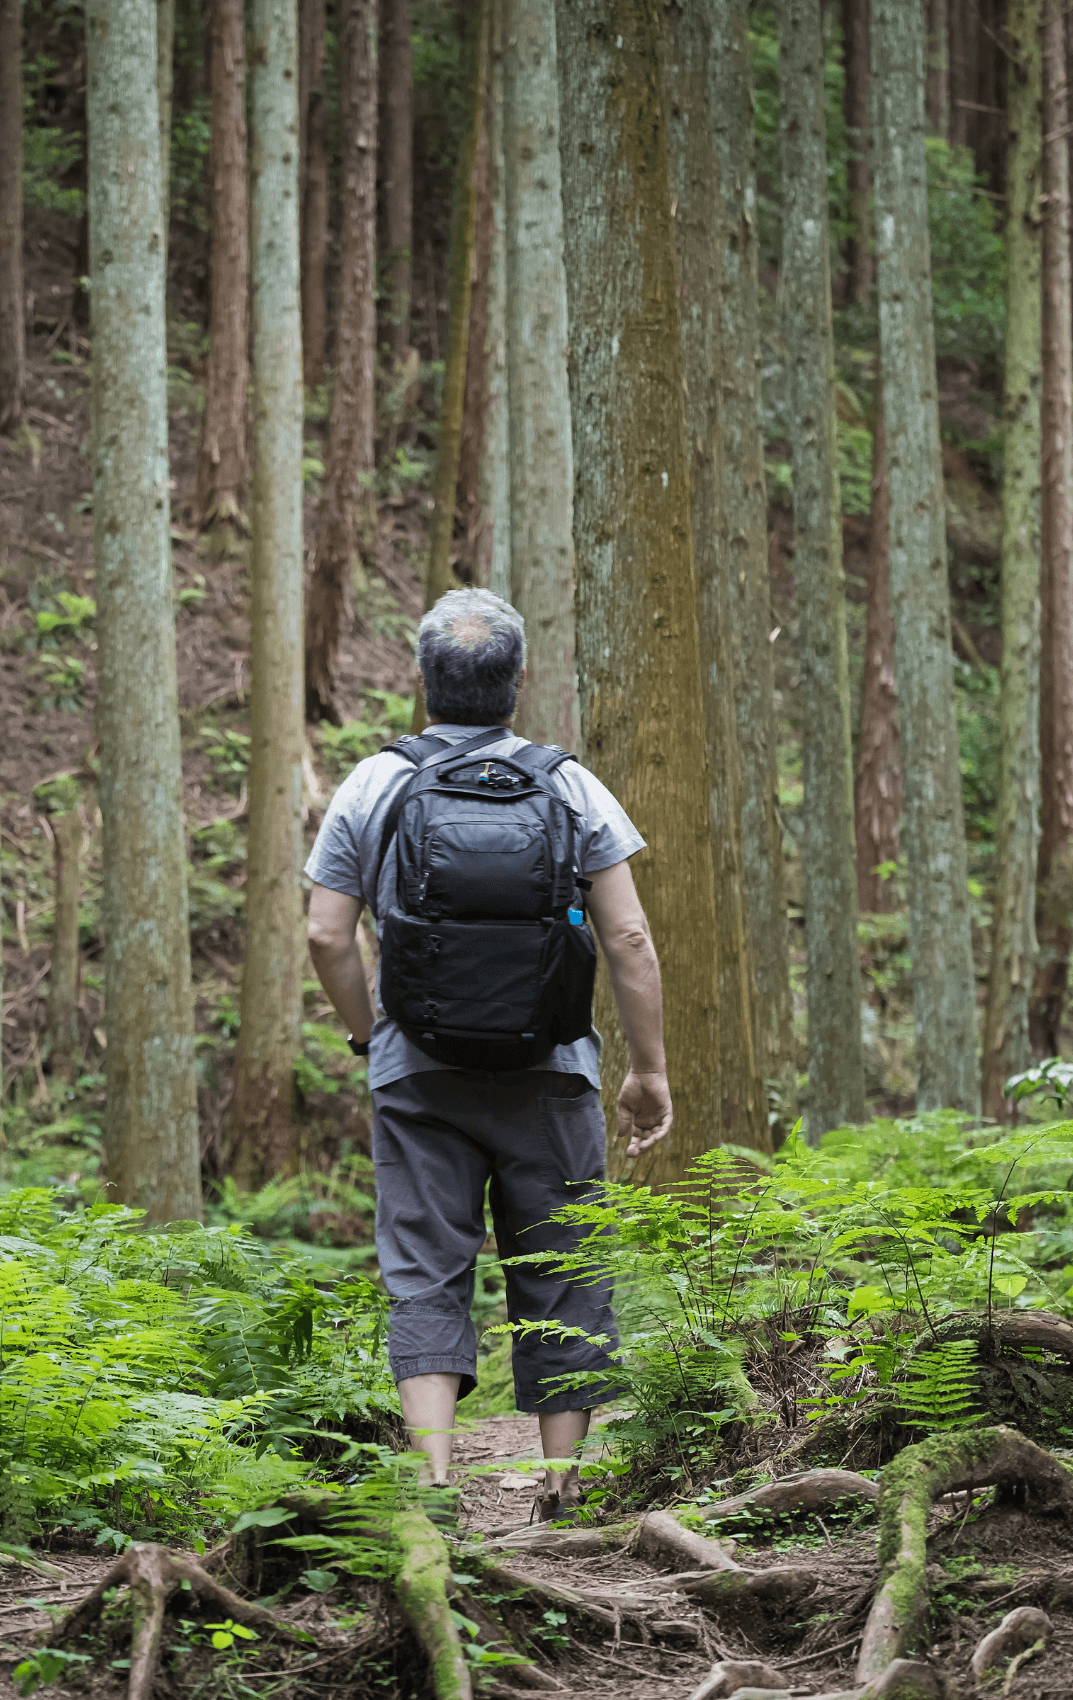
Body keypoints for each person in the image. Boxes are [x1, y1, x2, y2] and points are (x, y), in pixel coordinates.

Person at [305, 587, 672, 1521]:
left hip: (417, 1069)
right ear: (518, 682)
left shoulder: (375, 783)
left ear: (424, 681)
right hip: (551, 1070)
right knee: (562, 1267)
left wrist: (369, 1031)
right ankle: (561, 1487)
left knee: (425, 1267)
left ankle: (433, 1486)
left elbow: (325, 933)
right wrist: (647, 1069)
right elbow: (628, 941)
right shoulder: (568, 784)